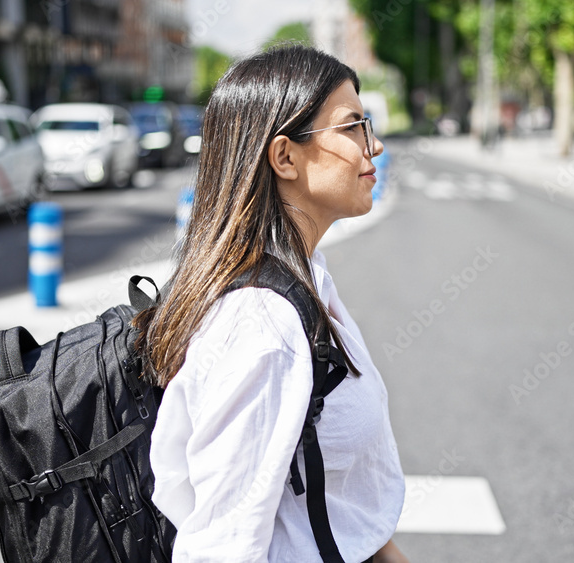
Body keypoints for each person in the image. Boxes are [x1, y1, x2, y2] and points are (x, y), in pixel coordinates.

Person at [134, 45, 408, 563]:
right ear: (284, 156)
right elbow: (220, 549)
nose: (371, 146)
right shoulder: (261, 326)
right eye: (352, 127)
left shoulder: (302, 277)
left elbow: (335, 507)